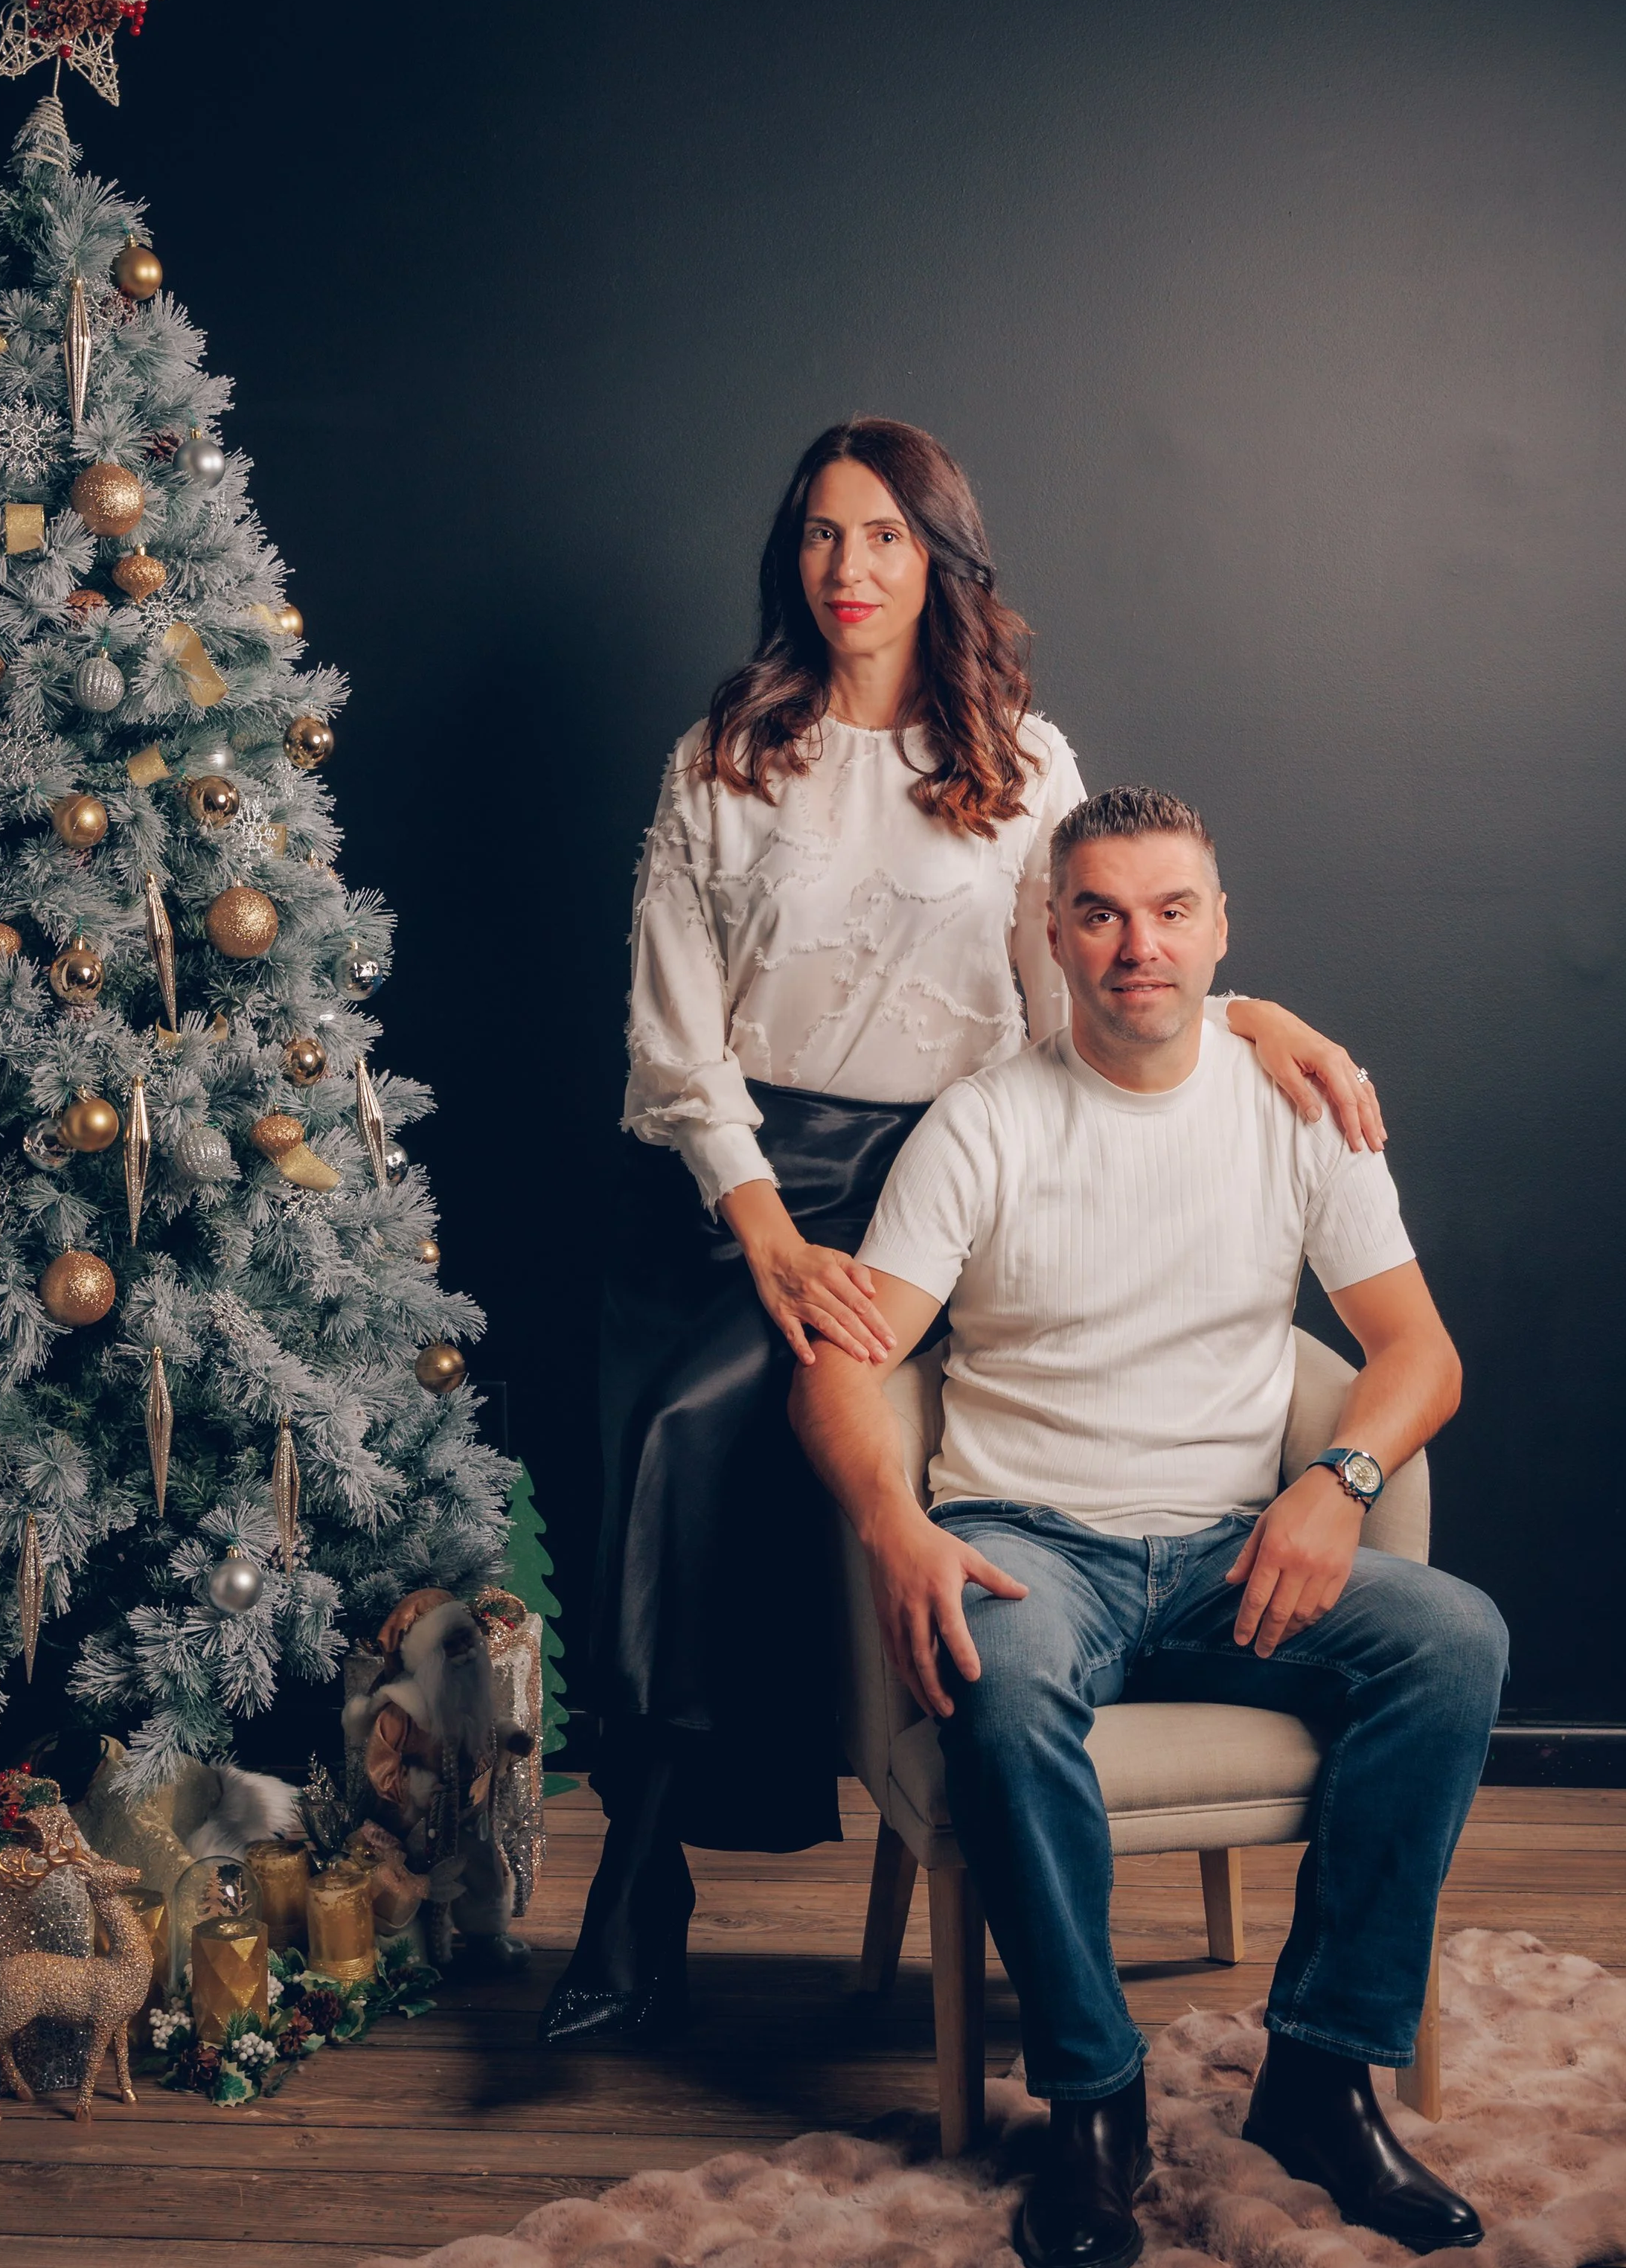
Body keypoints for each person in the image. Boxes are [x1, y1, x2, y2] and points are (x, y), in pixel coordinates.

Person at [542, 421, 1388, 2051]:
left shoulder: (1016, 760)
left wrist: (1254, 1010)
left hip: (929, 1174)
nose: (845, 571)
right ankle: (639, 1880)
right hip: (724, 1187)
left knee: (827, 1445)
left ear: (939, 557)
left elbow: (1084, 980)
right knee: (669, 1446)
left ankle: (969, 1854)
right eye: (816, 537)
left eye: (881, 537)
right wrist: (768, 1231)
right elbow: (671, 1036)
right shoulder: (727, 748)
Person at [790, 783, 1508, 2268]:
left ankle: (1318, 2078)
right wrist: (890, 1525)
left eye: (1171, 911)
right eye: (1101, 913)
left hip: (1232, 1553)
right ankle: (1093, 2104)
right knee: (999, 1676)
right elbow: (849, 1362)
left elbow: (1416, 1356)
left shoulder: (1295, 1109)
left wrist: (1339, 1488)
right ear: (1051, 933)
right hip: (1026, 1542)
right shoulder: (981, 1126)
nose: (1138, 946)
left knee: (1452, 1643)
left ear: (1218, 930)